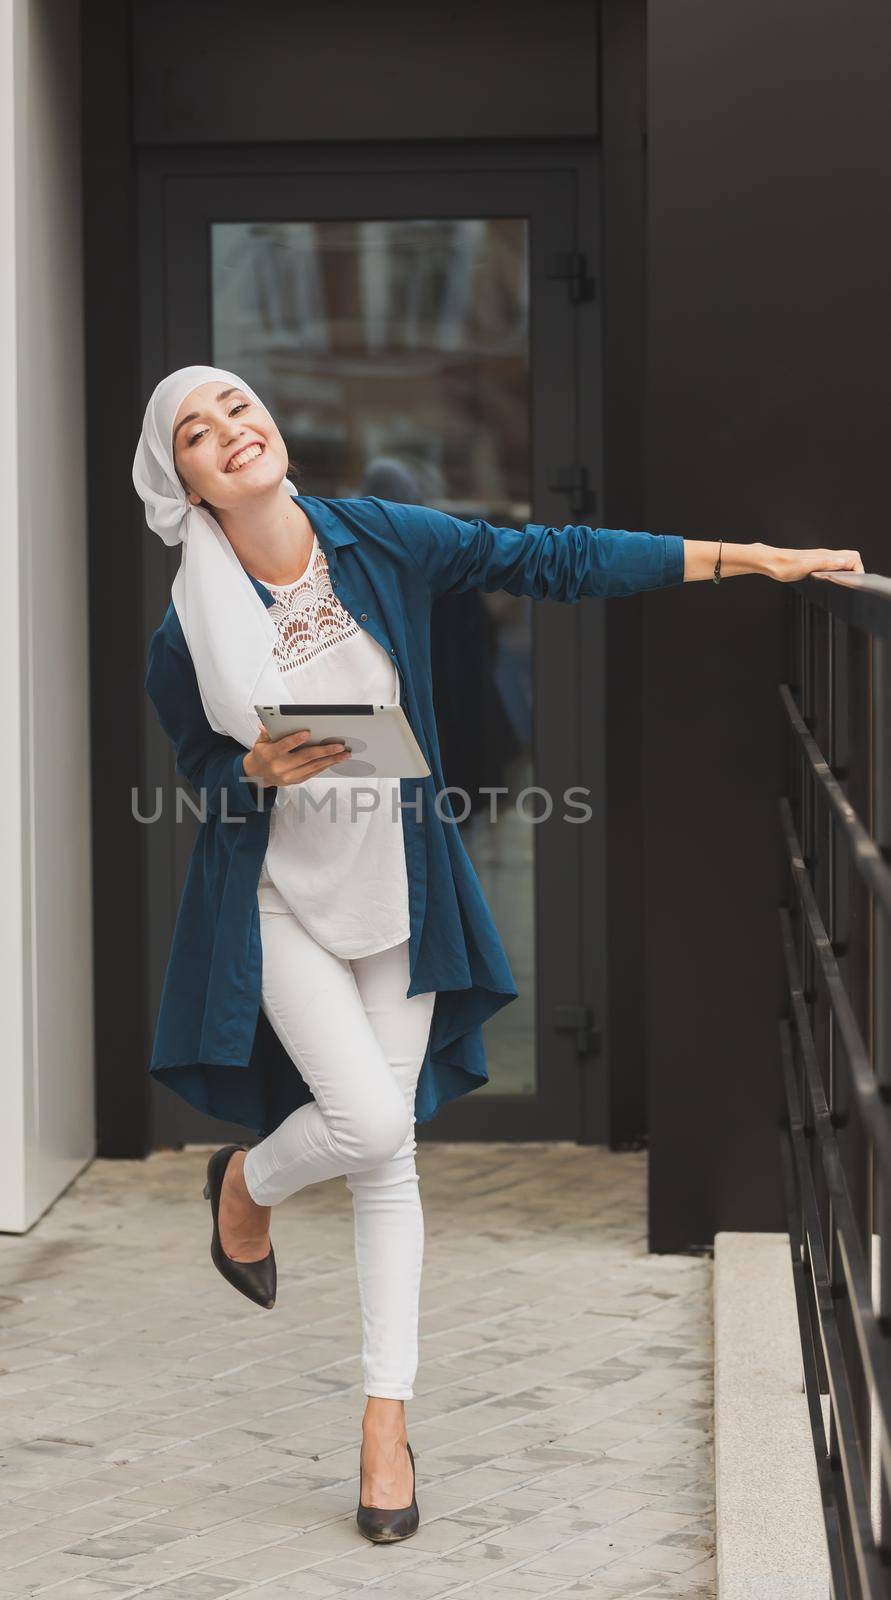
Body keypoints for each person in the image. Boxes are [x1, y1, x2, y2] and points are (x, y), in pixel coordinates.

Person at [132, 363, 863, 1544]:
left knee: (388, 1158)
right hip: (275, 900)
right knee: (369, 1125)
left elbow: (550, 560)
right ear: (183, 480)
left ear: (270, 426)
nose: (231, 434)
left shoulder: (376, 537)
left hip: (400, 893)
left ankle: (382, 1423)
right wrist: (248, 770)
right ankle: (245, 1183)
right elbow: (198, 770)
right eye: (197, 434)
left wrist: (746, 558)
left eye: (239, 409)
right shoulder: (185, 629)